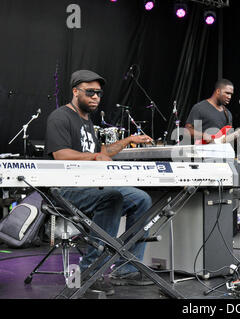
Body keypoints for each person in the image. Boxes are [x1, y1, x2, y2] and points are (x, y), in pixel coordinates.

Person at [44, 69, 155, 295]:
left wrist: (129, 139)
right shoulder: (60, 117)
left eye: (99, 93)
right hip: (66, 190)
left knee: (141, 199)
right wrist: (95, 156)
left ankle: (126, 269)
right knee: (112, 197)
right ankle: (90, 271)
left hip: (92, 186)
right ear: (75, 92)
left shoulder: (87, 121)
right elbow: (61, 154)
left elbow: (101, 152)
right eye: (90, 92)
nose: (95, 97)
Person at [185, 78, 234, 144]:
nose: (229, 97)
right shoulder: (200, 108)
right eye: (227, 93)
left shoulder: (228, 114)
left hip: (222, 152)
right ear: (218, 91)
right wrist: (203, 135)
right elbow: (187, 131)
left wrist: (237, 136)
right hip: (203, 152)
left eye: (231, 94)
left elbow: (228, 137)